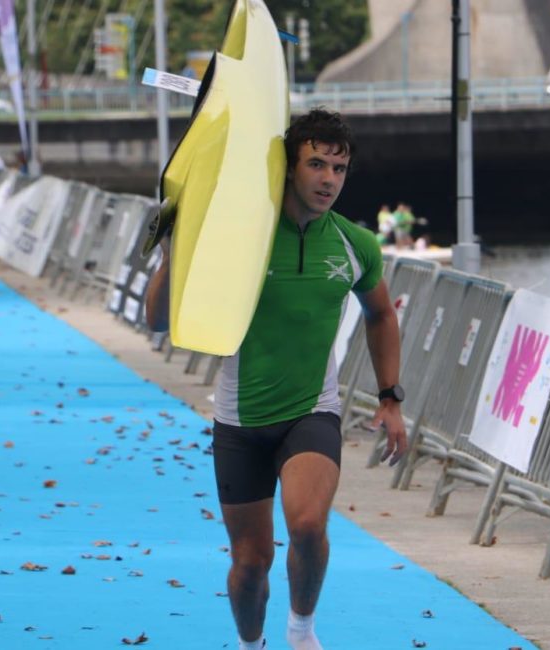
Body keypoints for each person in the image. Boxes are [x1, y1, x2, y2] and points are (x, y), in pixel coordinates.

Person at [144, 108, 408, 650]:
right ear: (289, 168)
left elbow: (382, 315)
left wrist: (390, 396)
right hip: (239, 423)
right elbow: (154, 319)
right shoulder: (243, 239)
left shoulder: (356, 245)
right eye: (316, 164)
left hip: (311, 412)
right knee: (250, 563)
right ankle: (251, 644)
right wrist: (175, 251)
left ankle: (301, 631)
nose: (328, 179)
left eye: (339, 167)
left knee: (308, 524)